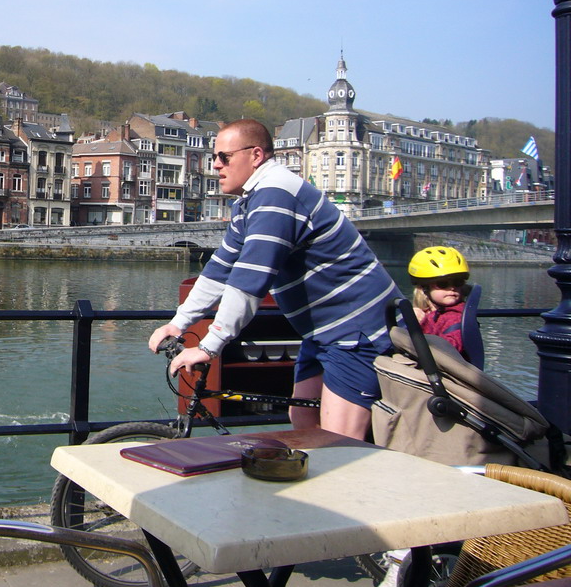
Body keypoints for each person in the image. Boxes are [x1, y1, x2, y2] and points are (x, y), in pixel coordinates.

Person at [148, 119, 402, 440]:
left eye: (224, 157)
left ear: (255, 155)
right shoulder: (249, 201)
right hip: (322, 334)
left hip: (355, 334)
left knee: (338, 443)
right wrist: (178, 324)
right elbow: (220, 269)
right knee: (303, 417)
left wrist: (210, 347)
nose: (215, 165)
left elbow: (249, 280)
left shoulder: (276, 196)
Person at [408, 246, 471, 359]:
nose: (452, 288)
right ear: (425, 289)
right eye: (443, 284)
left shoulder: (457, 317)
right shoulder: (430, 313)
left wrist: (423, 324)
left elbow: (450, 349)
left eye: (457, 282)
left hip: (449, 373)